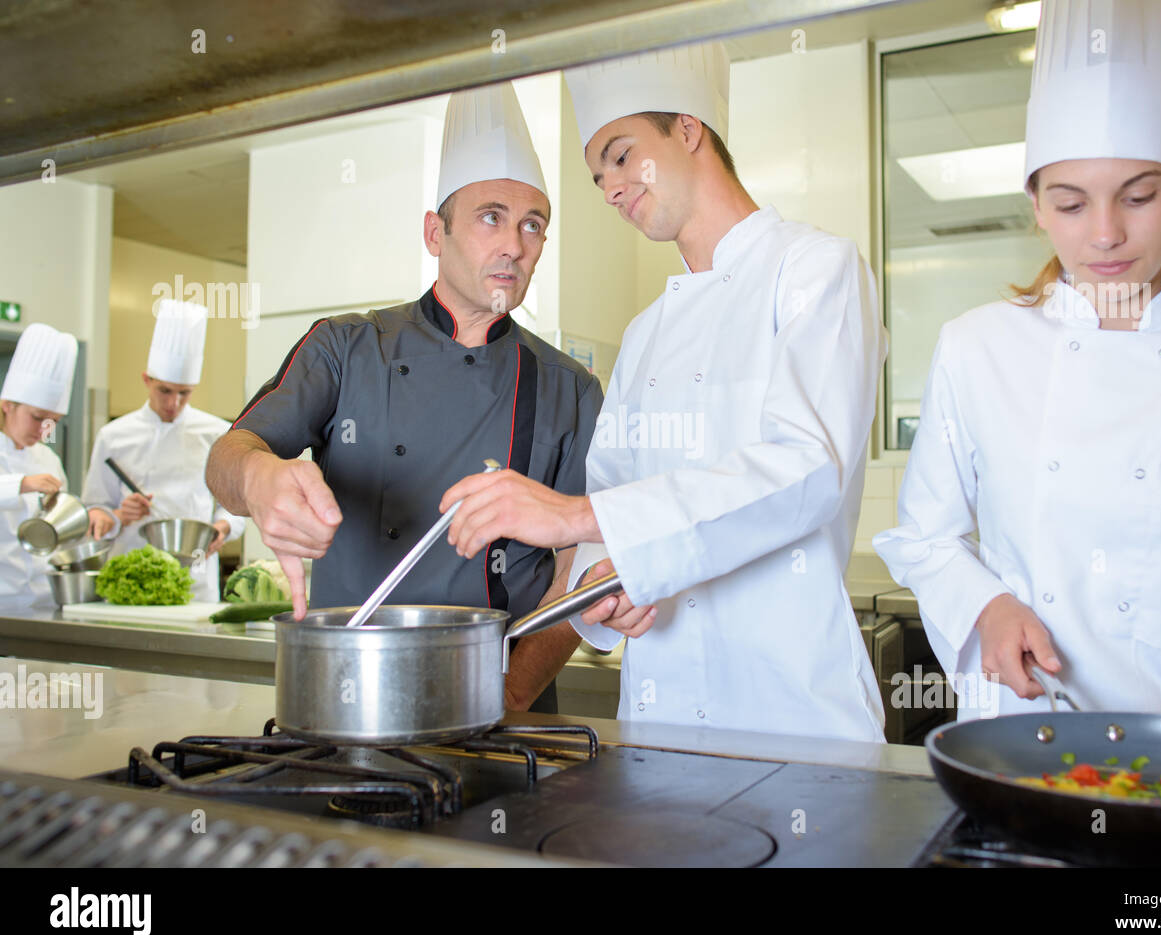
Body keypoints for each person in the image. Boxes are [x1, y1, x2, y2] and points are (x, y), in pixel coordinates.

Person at [441, 43, 889, 741]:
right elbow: (610, 517)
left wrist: (576, 517)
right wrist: (605, 593)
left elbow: (807, 469)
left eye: (621, 156)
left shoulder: (816, 271)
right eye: (597, 177)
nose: (612, 188)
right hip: (660, 724)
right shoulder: (646, 333)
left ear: (688, 128)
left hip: (796, 720)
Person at [873, 0, 1161, 727]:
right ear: (1036, 205)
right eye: (1071, 204)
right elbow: (924, 537)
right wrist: (990, 606)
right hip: (1021, 738)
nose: (1106, 235)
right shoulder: (978, 346)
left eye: (1139, 196)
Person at [206, 82, 602, 712]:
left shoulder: (571, 387)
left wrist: (511, 694)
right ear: (433, 233)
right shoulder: (345, 346)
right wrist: (257, 479)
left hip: (503, 706)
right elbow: (231, 453)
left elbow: (580, 564)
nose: (515, 246)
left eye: (534, 225)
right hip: (351, 693)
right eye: (490, 216)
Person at [83, 300, 245, 601]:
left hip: (196, 580)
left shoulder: (216, 433)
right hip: (130, 576)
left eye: (184, 393)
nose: (174, 403)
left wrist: (221, 528)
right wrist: (119, 514)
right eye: (165, 391)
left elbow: (236, 507)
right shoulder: (113, 435)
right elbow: (94, 510)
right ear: (147, 380)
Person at [0, 323, 79, 600]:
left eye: (53, 422)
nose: (45, 430)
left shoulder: (48, 460)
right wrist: (21, 484)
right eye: (37, 417)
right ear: (7, 404)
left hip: (41, 597)